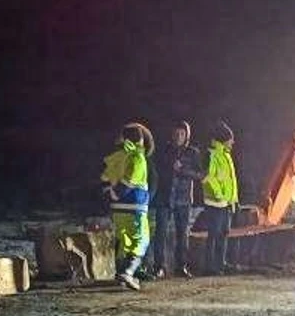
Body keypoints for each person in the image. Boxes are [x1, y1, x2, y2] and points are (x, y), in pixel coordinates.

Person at [101, 122, 153, 290]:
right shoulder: (138, 157)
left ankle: (120, 273)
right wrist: (119, 192)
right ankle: (128, 272)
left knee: (122, 242)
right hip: (134, 207)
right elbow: (130, 180)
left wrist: (111, 193)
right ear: (140, 140)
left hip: (117, 209)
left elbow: (104, 177)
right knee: (140, 241)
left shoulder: (117, 156)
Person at [147, 121, 199, 279]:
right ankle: (158, 267)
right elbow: (156, 169)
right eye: (176, 133)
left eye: (182, 134)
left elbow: (200, 174)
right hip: (165, 198)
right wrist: (170, 166)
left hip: (183, 199)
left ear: (187, 136)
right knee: (160, 234)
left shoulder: (193, 153)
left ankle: (181, 266)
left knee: (182, 234)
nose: (179, 137)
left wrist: (182, 170)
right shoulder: (164, 151)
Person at [201, 121, 239, 274]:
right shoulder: (212, 155)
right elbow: (208, 178)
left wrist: (233, 200)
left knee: (223, 235)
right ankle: (210, 266)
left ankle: (220, 264)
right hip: (215, 204)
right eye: (231, 139)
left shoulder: (226, 156)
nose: (233, 142)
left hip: (226, 203)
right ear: (224, 139)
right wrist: (219, 195)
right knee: (214, 236)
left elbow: (231, 180)